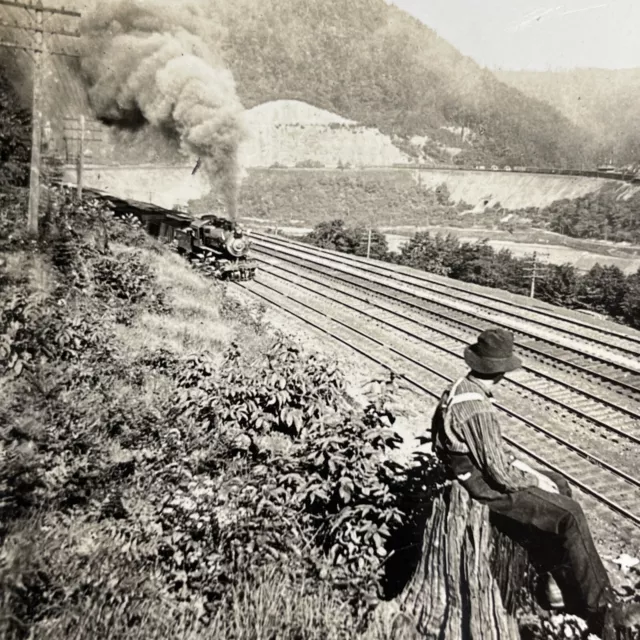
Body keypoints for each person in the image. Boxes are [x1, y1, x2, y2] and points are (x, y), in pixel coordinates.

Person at [430, 327, 640, 637]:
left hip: (472, 471)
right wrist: (534, 481)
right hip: (481, 486)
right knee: (570, 514)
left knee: (560, 484)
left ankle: (555, 586)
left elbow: (492, 452)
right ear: (501, 371)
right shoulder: (477, 409)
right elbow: (500, 474)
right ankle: (605, 610)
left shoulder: (462, 387)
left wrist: (540, 475)